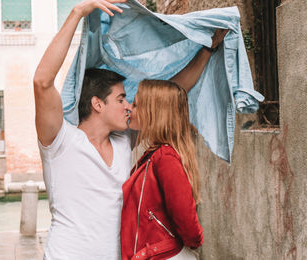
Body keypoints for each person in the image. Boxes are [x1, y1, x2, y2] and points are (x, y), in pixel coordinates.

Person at [33, 0, 227, 258]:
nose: (128, 106)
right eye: (121, 99)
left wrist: (207, 51)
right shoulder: (60, 141)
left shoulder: (124, 140)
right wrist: (78, 13)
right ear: (97, 104)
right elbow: (42, 82)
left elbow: (172, 93)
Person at [121, 80, 203, 260]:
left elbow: (188, 223)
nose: (129, 108)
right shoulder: (155, 155)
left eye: (135, 104)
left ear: (152, 112)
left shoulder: (164, 158)